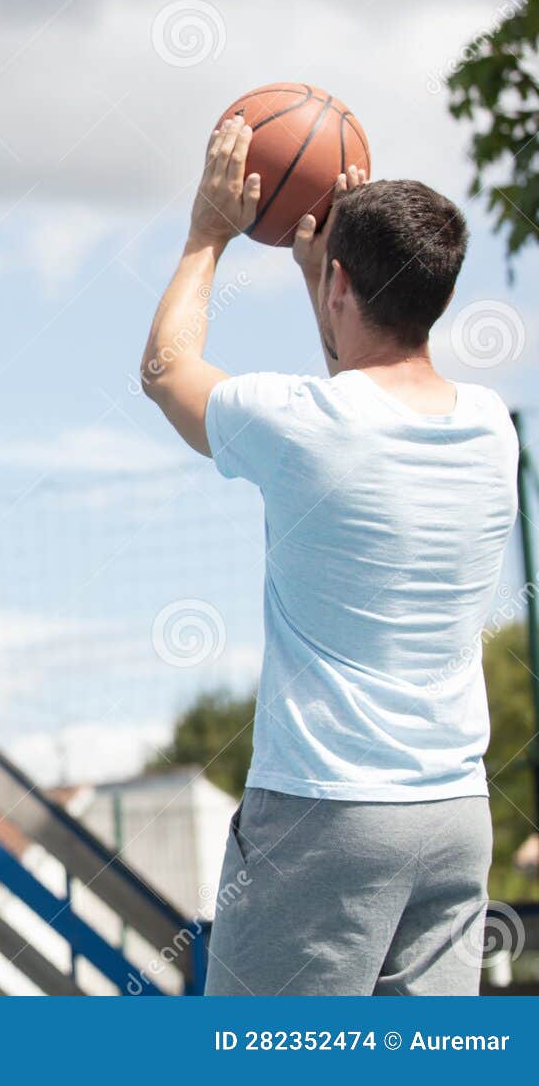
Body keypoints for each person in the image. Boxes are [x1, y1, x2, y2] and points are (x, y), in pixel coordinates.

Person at [140, 116, 518, 995]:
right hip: (454, 813)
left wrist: (206, 232)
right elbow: (366, 396)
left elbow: (166, 370)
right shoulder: (489, 428)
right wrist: (330, 283)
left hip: (326, 809)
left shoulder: (302, 425)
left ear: (343, 284)